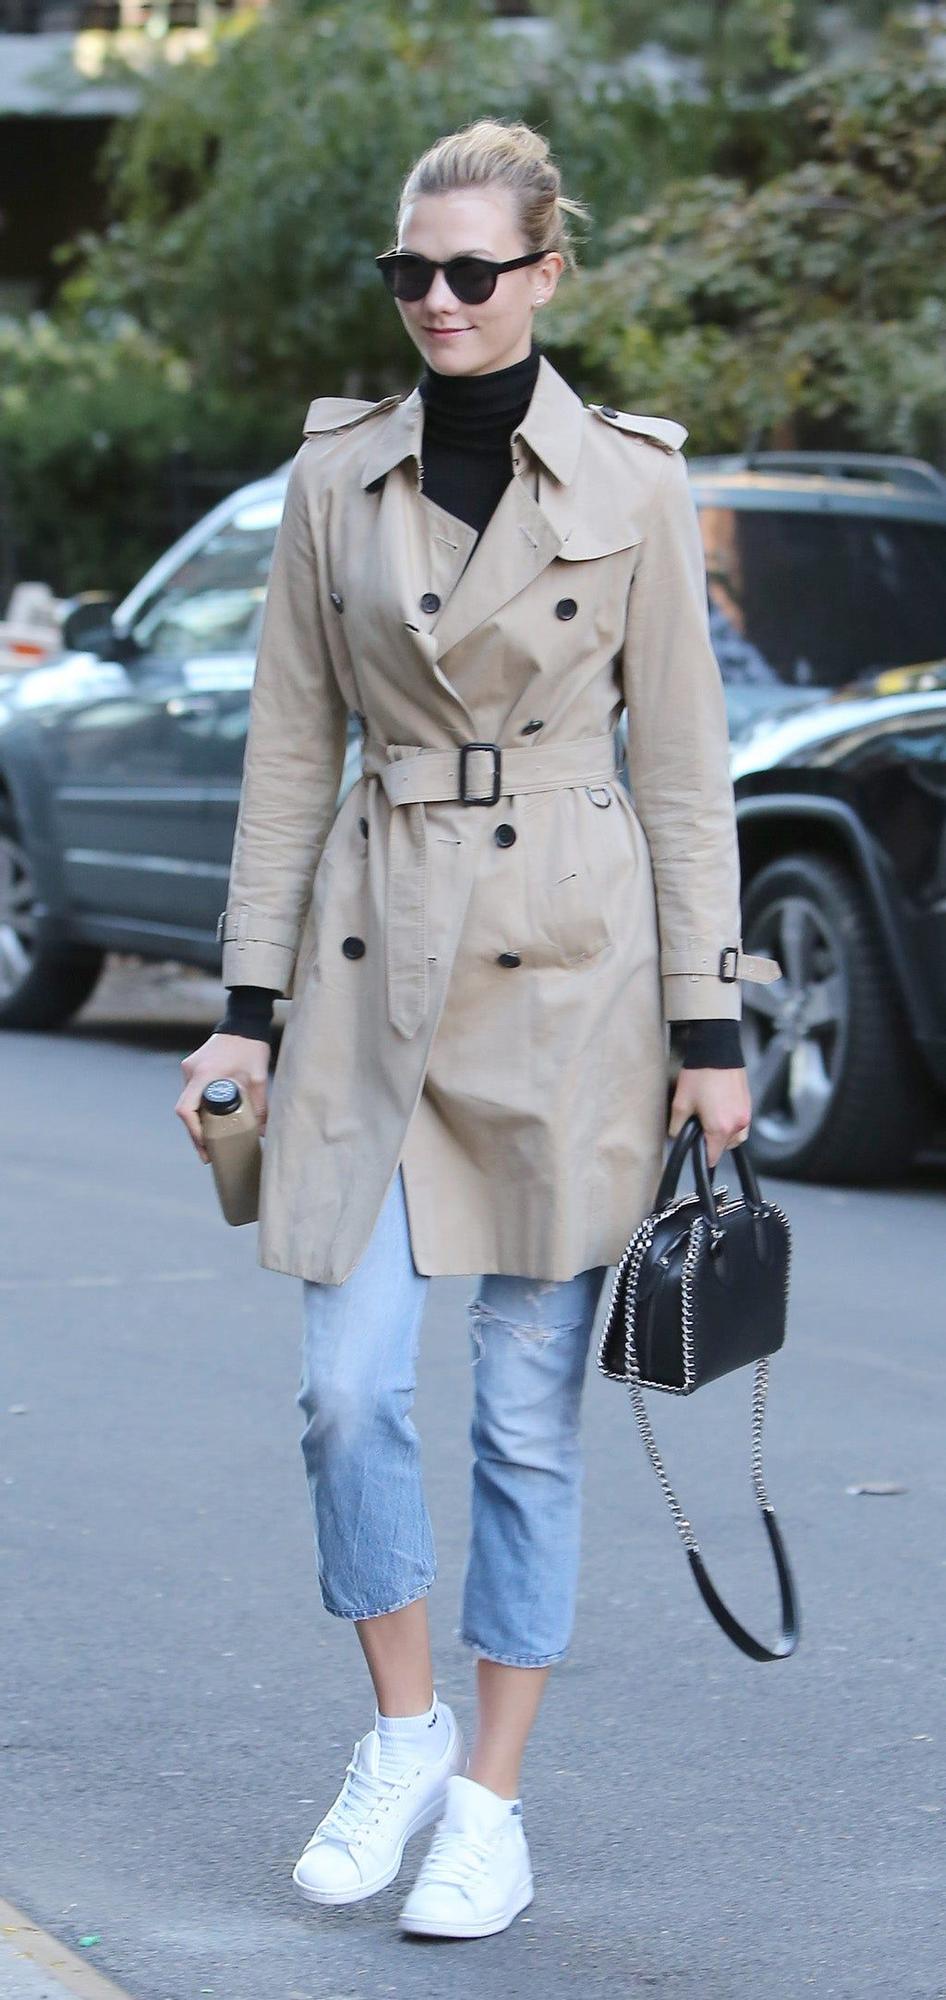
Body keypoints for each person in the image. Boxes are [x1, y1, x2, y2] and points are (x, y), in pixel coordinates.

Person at [175, 117, 779, 1941]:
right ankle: (402, 1731)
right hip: (369, 963)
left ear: (543, 274)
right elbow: (292, 752)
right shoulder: (331, 481)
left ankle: (492, 1803)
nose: (433, 302)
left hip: (571, 975)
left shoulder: (635, 485)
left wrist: (710, 1028)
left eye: (469, 272)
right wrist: (243, 1018)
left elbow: (683, 774)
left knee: (524, 1420)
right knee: (345, 1389)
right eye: (408, 274)